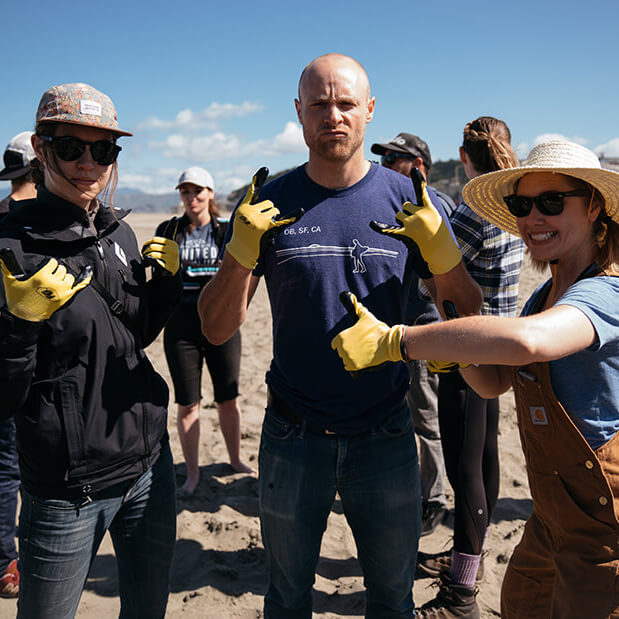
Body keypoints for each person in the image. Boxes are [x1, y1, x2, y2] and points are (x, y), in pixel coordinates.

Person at [199, 53, 482, 618]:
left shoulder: (410, 203)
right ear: (299, 113)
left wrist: (443, 253)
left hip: (386, 433)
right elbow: (216, 326)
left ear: (369, 111)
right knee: (285, 599)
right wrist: (239, 252)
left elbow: (466, 315)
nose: (334, 115)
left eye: (347, 103)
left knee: (391, 600)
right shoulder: (264, 204)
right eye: (321, 104)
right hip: (291, 435)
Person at [332, 140, 619, 618]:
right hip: (550, 519)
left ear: (593, 206)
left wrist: (400, 341)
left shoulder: (607, 291)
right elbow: (495, 382)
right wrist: (456, 355)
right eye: (521, 205)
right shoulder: (543, 296)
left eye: (551, 202)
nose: (533, 218)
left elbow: (530, 343)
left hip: (605, 527)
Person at [0, 82, 181, 618]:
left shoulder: (116, 232)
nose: (88, 163)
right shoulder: (9, 248)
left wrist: (165, 287)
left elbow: (135, 334)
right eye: (70, 147)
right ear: (40, 147)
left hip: (149, 467)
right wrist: (16, 325)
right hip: (65, 490)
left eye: (103, 150)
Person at [413, 117, 524, 617]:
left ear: (463, 156)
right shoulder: (513, 207)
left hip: (466, 349)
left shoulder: (473, 213)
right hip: (501, 349)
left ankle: (462, 589)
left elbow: (436, 276)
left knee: (465, 465)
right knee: (485, 458)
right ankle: (466, 555)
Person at [371, 132, 455, 536]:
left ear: (418, 165)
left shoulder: (429, 202)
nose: (386, 165)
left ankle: (433, 499)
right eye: (384, 158)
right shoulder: (397, 200)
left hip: (423, 324)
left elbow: (445, 270)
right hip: (398, 326)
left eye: (394, 159)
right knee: (406, 411)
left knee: (424, 414)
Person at [157, 166, 253, 494]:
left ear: (210, 193)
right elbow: (160, 280)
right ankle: (193, 473)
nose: (191, 197)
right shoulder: (168, 229)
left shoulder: (227, 231)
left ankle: (236, 460)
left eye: (198, 190)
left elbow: (242, 274)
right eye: (185, 191)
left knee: (228, 399)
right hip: (181, 327)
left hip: (222, 323)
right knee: (187, 403)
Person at [0, 131, 36, 598]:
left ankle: (7, 560)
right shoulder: (39, 221)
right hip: (30, 361)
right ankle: (22, 558)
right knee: (22, 464)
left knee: (6, 465)